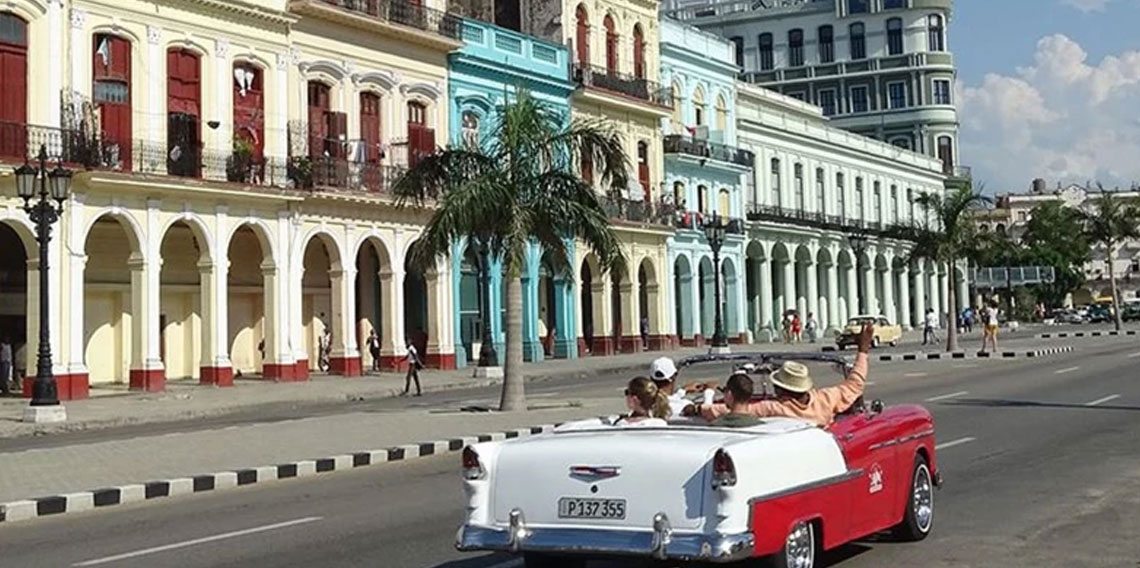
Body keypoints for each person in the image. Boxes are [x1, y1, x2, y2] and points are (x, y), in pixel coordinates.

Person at [689, 322, 873, 428]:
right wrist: (863, 350)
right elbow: (855, 384)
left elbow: (738, 410)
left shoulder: (773, 408)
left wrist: (698, 409)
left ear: (780, 388)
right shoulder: (824, 399)